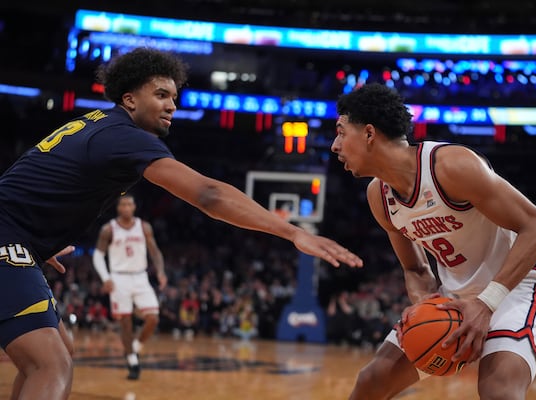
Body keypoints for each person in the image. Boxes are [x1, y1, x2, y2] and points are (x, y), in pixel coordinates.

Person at [0, 47, 362, 400]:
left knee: (59, 348)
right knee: (51, 366)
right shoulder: (125, 137)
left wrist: (35, 242)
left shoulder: (99, 125)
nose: (172, 105)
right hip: (7, 238)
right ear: (129, 100)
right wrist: (292, 231)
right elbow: (209, 195)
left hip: (17, 240)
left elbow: (29, 183)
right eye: (160, 94)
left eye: (174, 96)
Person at [330, 83, 536, 400]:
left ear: (369, 133)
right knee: (373, 380)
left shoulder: (450, 166)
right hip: (454, 296)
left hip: (515, 287)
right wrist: (421, 301)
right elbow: (415, 268)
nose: (334, 145)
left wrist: (485, 304)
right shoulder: (379, 197)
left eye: (341, 132)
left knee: (499, 391)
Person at [92, 194, 167, 380]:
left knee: (153, 318)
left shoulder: (144, 227)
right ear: (118, 208)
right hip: (119, 278)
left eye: (129, 204)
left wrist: (160, 271)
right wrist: (105, 278)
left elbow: (155, 251)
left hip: (140, 276)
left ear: (134, 207)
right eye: (123, 204)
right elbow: (98, 256)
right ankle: (132, 361)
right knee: (125, 322)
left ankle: (135, 347)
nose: (126, 207)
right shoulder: (108, 229)